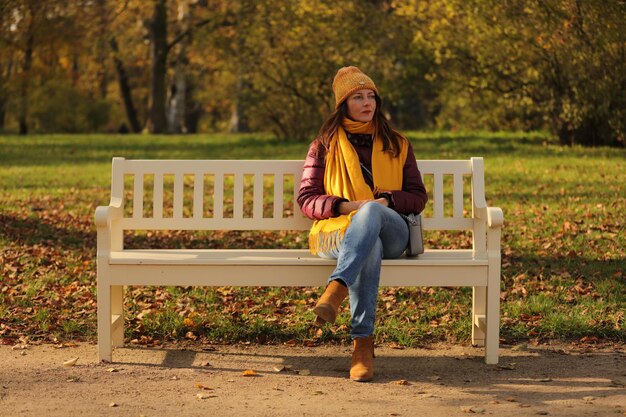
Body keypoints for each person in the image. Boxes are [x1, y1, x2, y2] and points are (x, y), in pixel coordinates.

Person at [297, 66, 428, 382]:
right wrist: (345, 206)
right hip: (340, 233)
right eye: (358, 97)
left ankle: (337, 287)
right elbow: (307, 198)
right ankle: (362, 346)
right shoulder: (325, 145)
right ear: (344, 103)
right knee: (369, 243)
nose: (367, 103)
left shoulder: (397, 143)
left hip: (393, 230)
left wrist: (385, 202)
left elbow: (418, 196)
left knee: (370, 214)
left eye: (371, 96)